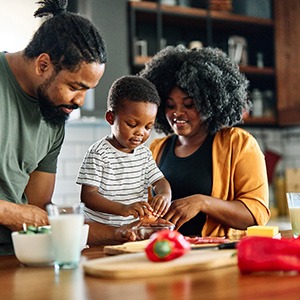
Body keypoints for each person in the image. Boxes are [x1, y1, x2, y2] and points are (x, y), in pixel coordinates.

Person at [0, 0, 109, 255]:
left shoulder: (54, 116)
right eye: (74, 87)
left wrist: (121, 233)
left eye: (87, 91)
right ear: (43, 65)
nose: (80, 101)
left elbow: (39, 210)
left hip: (15, 257)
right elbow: (22, 214)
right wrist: (10, 211)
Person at [139, 45, 270, 238]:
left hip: (214, 255)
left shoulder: (238, 143)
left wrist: (202, 202)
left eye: (189, 104)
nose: (177, 113)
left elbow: (256, 213)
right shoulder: (156, 149)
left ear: (209, 102)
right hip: (164, 252)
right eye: (170, 105)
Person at [77, 76, 172, 227]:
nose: (140, 132)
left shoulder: (144, 154)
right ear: (110, 117)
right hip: (100, 231)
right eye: (132, 124)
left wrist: (164, 195)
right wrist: (123, 209)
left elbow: (159, 181)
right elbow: (88, 196)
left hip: (132, 229)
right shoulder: (99, 153)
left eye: (148, 127)